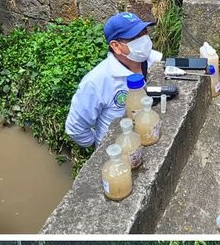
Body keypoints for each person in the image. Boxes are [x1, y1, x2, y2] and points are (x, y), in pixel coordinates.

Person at [64, 12, 162, 148]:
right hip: (121, 148)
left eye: (144, 32)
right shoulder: (96, 82)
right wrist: (101, 145)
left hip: (149, 136)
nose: (144, 39)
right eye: (135, 37)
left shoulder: (155, 61)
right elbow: (75, 128)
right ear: (116, 46)